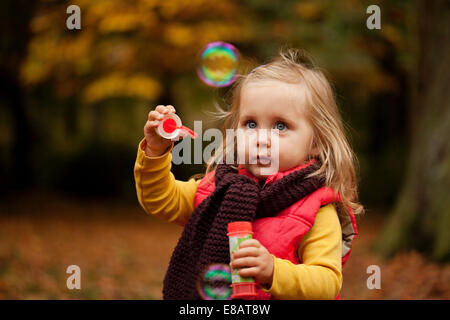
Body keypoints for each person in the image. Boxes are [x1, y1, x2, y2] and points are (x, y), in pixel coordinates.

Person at [134, 48, 362, 300]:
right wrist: (156, 151)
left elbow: (327, 283)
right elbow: (160, 200)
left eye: (280, 126)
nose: (261, 139)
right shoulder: (217, 187)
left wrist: (274, 271)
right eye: (250, 124)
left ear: (316, 142)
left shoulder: (316, 208)